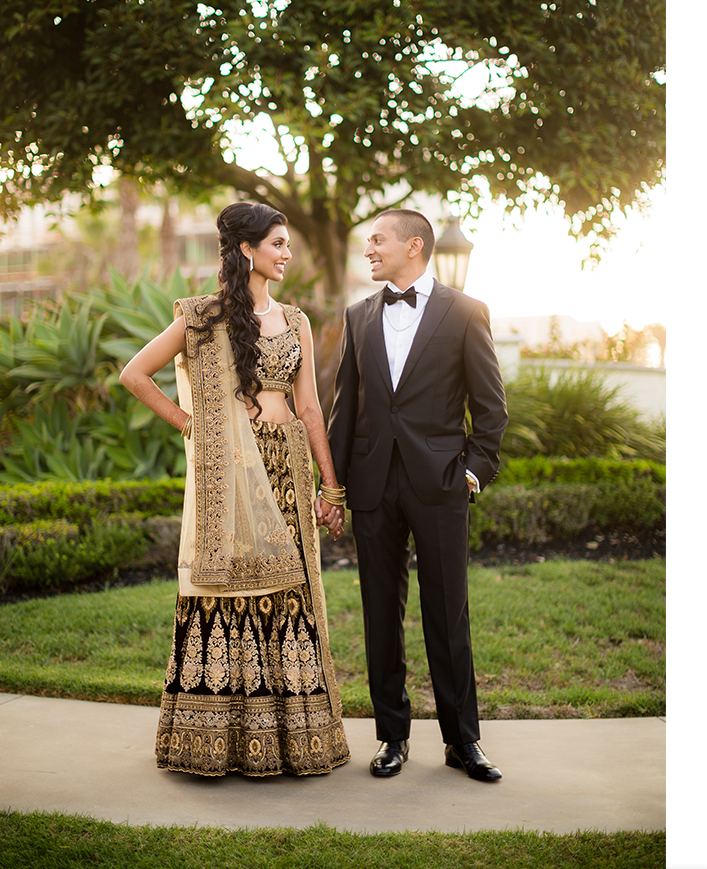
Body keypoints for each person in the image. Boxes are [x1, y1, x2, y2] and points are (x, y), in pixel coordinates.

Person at [120, 201, 351, 777]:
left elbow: (310, 409)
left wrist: (331, 486)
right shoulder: (203, 316)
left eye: (288, 244)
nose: (287, 254)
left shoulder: (294, 321)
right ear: (247, 249)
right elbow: (134, 374)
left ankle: (291, 741)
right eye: (277, 243)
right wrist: (193, 428)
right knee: (226, 596)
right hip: (229, 475)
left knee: (289, 599)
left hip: (289, 471)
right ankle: (216, 740)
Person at [327, 209, 507, 782]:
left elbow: (491, 407)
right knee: (382, 613)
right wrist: (334, 486)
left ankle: (463, 741)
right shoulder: (357, 317)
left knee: (447, 613)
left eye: (377, 241)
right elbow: (343, 408)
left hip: (440, 485)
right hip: (373, 486)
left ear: (414, 246)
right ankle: (391, 737)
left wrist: (472, 473)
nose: (369, 251)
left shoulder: (466, 313)